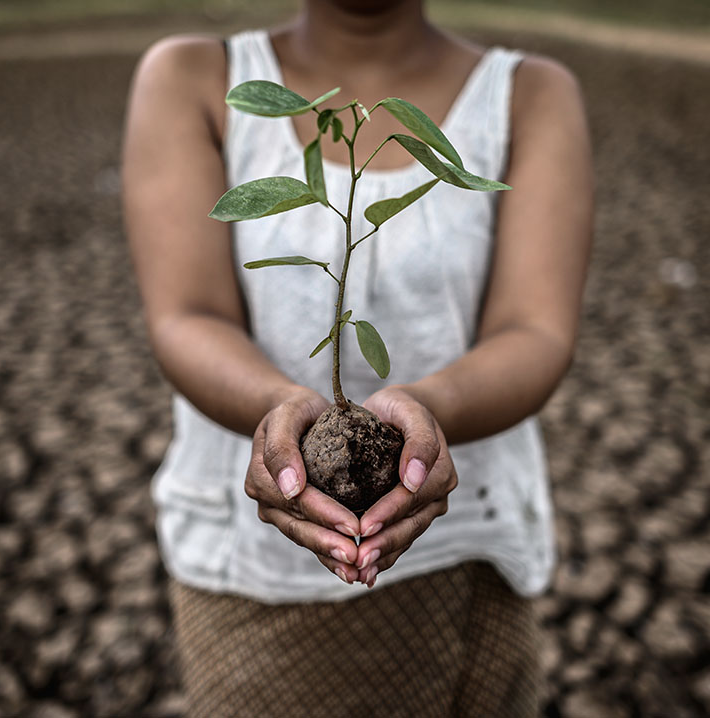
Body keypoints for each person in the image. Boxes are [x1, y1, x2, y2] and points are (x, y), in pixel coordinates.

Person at [122, 0, 592, 714]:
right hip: (254, 586)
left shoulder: (529, 93)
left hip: (468, 557)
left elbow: (537, 332)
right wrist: (281, 414)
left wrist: (428, 413)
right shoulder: (197, 77)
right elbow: (187, 315)